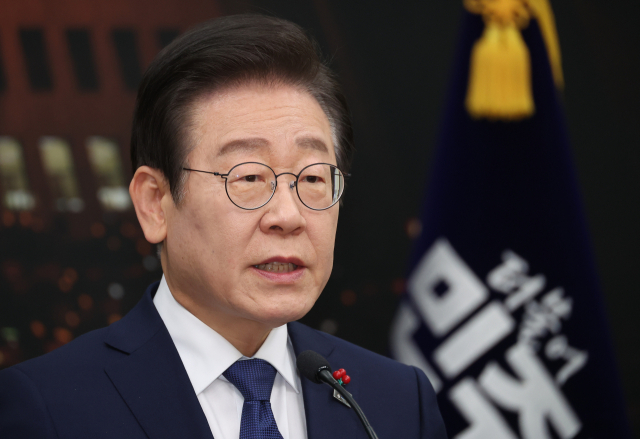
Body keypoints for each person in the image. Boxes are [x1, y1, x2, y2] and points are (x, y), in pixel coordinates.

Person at [0, 14, 447, 439]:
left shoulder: (395, 400)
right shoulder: (51, 407)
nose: (287, 216)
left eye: (312, 179)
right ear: (155, 203)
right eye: (249, 178)